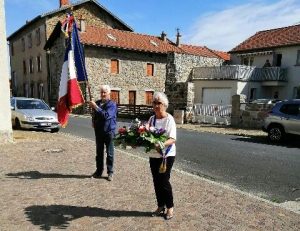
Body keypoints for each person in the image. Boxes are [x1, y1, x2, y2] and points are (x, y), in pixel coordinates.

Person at [148, 92, 177, 220]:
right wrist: (136, 142)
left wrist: (161, 144)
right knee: (156, 181)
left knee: (164, 181)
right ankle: (160, 206)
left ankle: (170, 207)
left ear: (164, 105)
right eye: (154, 103)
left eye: (159, 103)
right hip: (153, 155)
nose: (156, 105)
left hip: (167, 155)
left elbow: (172, 139)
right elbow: (145, 135)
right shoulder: (151, 119)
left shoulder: (169, 119)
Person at [88, 85, 117, 181]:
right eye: (102, 92)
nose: (103, 94)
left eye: (105, 92)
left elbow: (106, 115)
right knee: (99, 153)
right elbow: (94, 114)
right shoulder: (97, 103)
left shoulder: (112, 105)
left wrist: (96, 107)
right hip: (99, 132)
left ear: (109, 93)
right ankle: (99, 171)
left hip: (109, 132)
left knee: (110, 153)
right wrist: (93, 120)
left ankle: (110, 172)